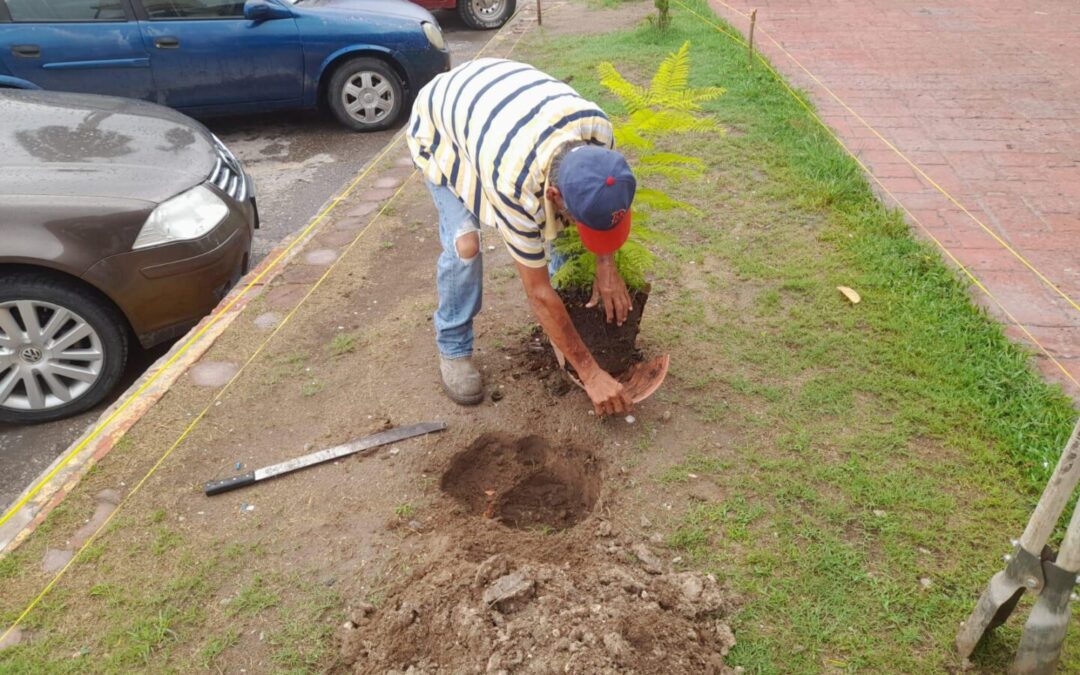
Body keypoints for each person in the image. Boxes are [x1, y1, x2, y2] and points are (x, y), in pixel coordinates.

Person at [407, 57, 636, 417]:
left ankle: (565, 334)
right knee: (465, 244)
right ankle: (453, 346)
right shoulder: (515, 186)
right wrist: (590, 373)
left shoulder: (599, 132)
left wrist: (606, 266)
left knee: (562, 235)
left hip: (501, 98)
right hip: (442, 126)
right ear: (553, 195)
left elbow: (599, 202)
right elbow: (537, 292)